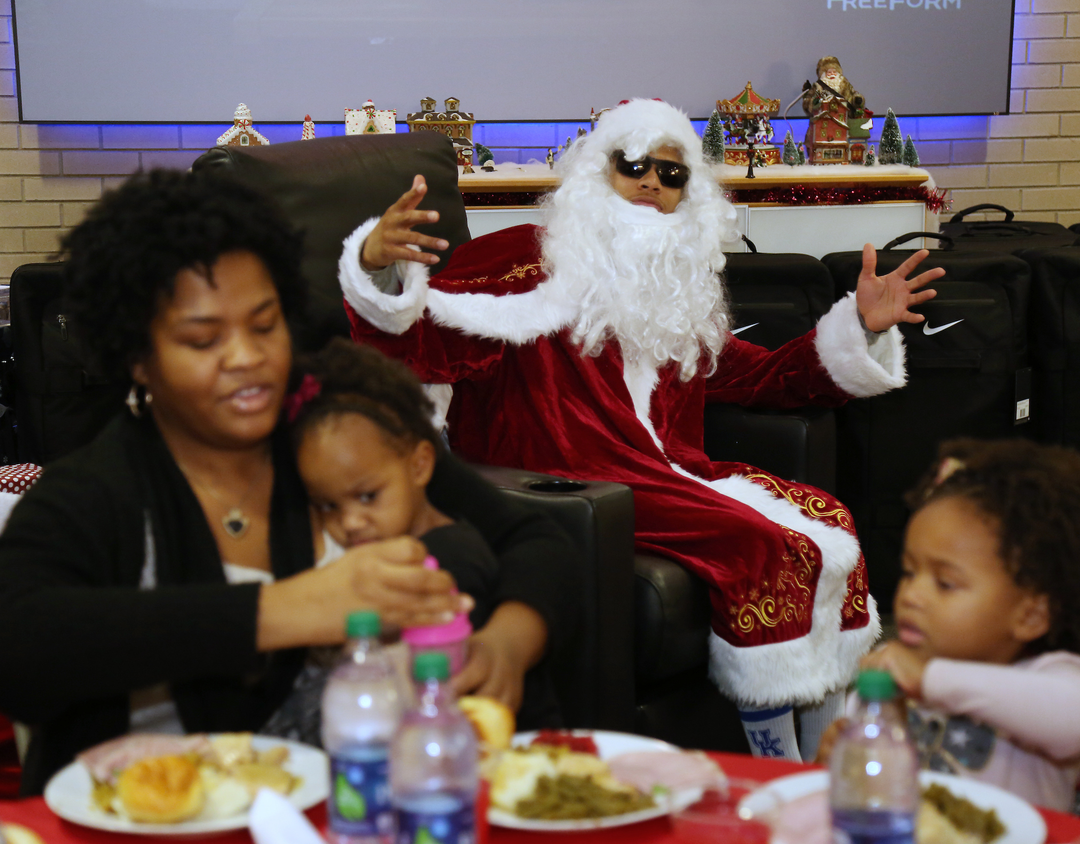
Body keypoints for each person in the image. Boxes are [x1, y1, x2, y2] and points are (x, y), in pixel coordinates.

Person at [338, 98, 944, 759]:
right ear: (599, 171)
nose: (652, 181)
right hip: (568, 483)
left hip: (667, 472)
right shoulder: (523, 260)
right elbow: (420, 340)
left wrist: (861, 326)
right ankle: (775, 759)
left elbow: (762, 377)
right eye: (633, 164)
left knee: (826, 519)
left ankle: (828, 740)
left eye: (671, 171)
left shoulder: (674, 287)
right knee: (762, 545)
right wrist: (374, 266)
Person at [0, 169, 577, 794]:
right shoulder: (104, 485)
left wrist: (507, 645)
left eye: (263, 324)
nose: (247, 357)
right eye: (203, 339)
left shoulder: (339, 419)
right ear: (137, 359)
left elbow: (530, 540)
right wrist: (288, 610)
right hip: (163, 820)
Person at [819, 438, 1080, 811]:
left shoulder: (1055, 678)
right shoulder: (890, 668)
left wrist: (928, 679)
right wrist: (836, 764)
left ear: (1030, 615)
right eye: (909, 572)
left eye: (945, 583)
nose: (911, 595)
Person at [262, 338, 560, 742]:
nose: (349, 522)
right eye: (327, 506)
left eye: (367, 497)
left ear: (421, 465)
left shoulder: (443, 563)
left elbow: (437, 698)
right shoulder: (394, 535)